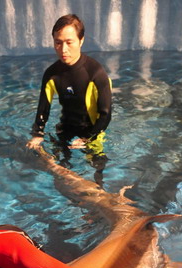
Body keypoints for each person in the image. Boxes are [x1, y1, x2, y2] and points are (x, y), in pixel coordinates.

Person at [26, 14, 112, 178]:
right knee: (56, 166)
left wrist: (87, 139)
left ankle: (100, 187)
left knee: (97, 167)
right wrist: (37, 134)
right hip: (65, 129)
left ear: (81, 41)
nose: (63, 49)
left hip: (92, 131)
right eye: (58, 43)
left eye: (69, 42)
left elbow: (106, 114)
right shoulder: (52, 74)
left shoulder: (95, 73)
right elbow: (43, 109)